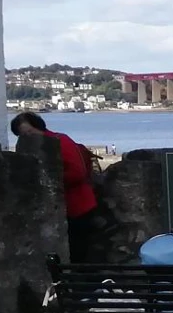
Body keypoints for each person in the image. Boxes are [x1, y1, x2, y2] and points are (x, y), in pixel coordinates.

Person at [10, 111, 103, 262]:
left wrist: (51, 181)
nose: (28, 136)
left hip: (78, 206)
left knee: (78, 251)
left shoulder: (60, 141)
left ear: (38, 127)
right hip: (66, 206)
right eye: (23, 135)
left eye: (29, 132)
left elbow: (78, 172)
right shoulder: (45, 143)